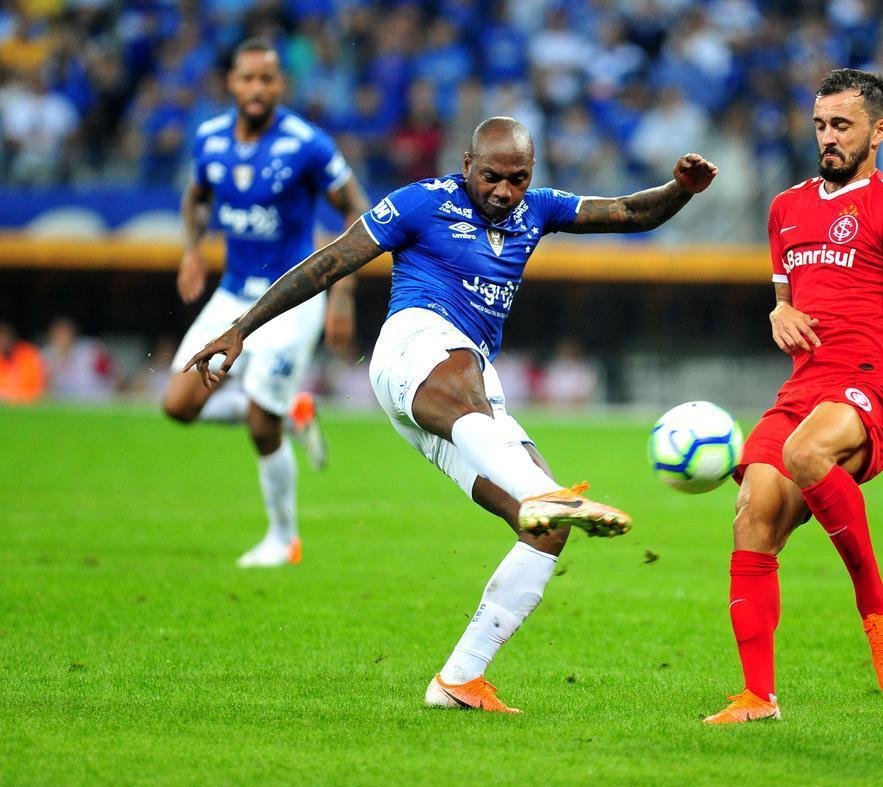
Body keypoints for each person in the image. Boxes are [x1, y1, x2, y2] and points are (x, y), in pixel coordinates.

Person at [186, 116, 717, 713]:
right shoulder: (420, 203)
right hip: (413, 348)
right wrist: (241, 328)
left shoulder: (536, 210)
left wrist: (680, 190)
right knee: (490, 412)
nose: (503, 192)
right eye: (491, 177)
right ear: (467, 165)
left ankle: (459, 680)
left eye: (518, 180)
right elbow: (332, 261)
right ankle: (546, 494)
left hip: (466, 390)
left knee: (543, 528)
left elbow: (628, 213)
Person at [703, 69, 883, 725]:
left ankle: (875, 606)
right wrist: (777, 314)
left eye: (842, 125)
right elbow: (786, 302)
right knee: (753, 511)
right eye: (819, 126)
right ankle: (759, 698)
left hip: (870, 380)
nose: (828, 138)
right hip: (804, 384)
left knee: (808, 452)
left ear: (879, 131)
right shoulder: (785, 208)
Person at [162, 38, 370, 569]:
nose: (257, 89)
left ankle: (284, 539)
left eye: (267, 80)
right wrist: (192, 250)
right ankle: (292, 412)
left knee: (259, 423)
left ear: (281, 85)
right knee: (179, 406)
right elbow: (196, 196)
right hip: (231, 292)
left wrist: (342, 292)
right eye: (247, 78)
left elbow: (357, 210)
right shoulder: (209, 138)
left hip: (291, 298)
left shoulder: (308, 143)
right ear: (231, 82)